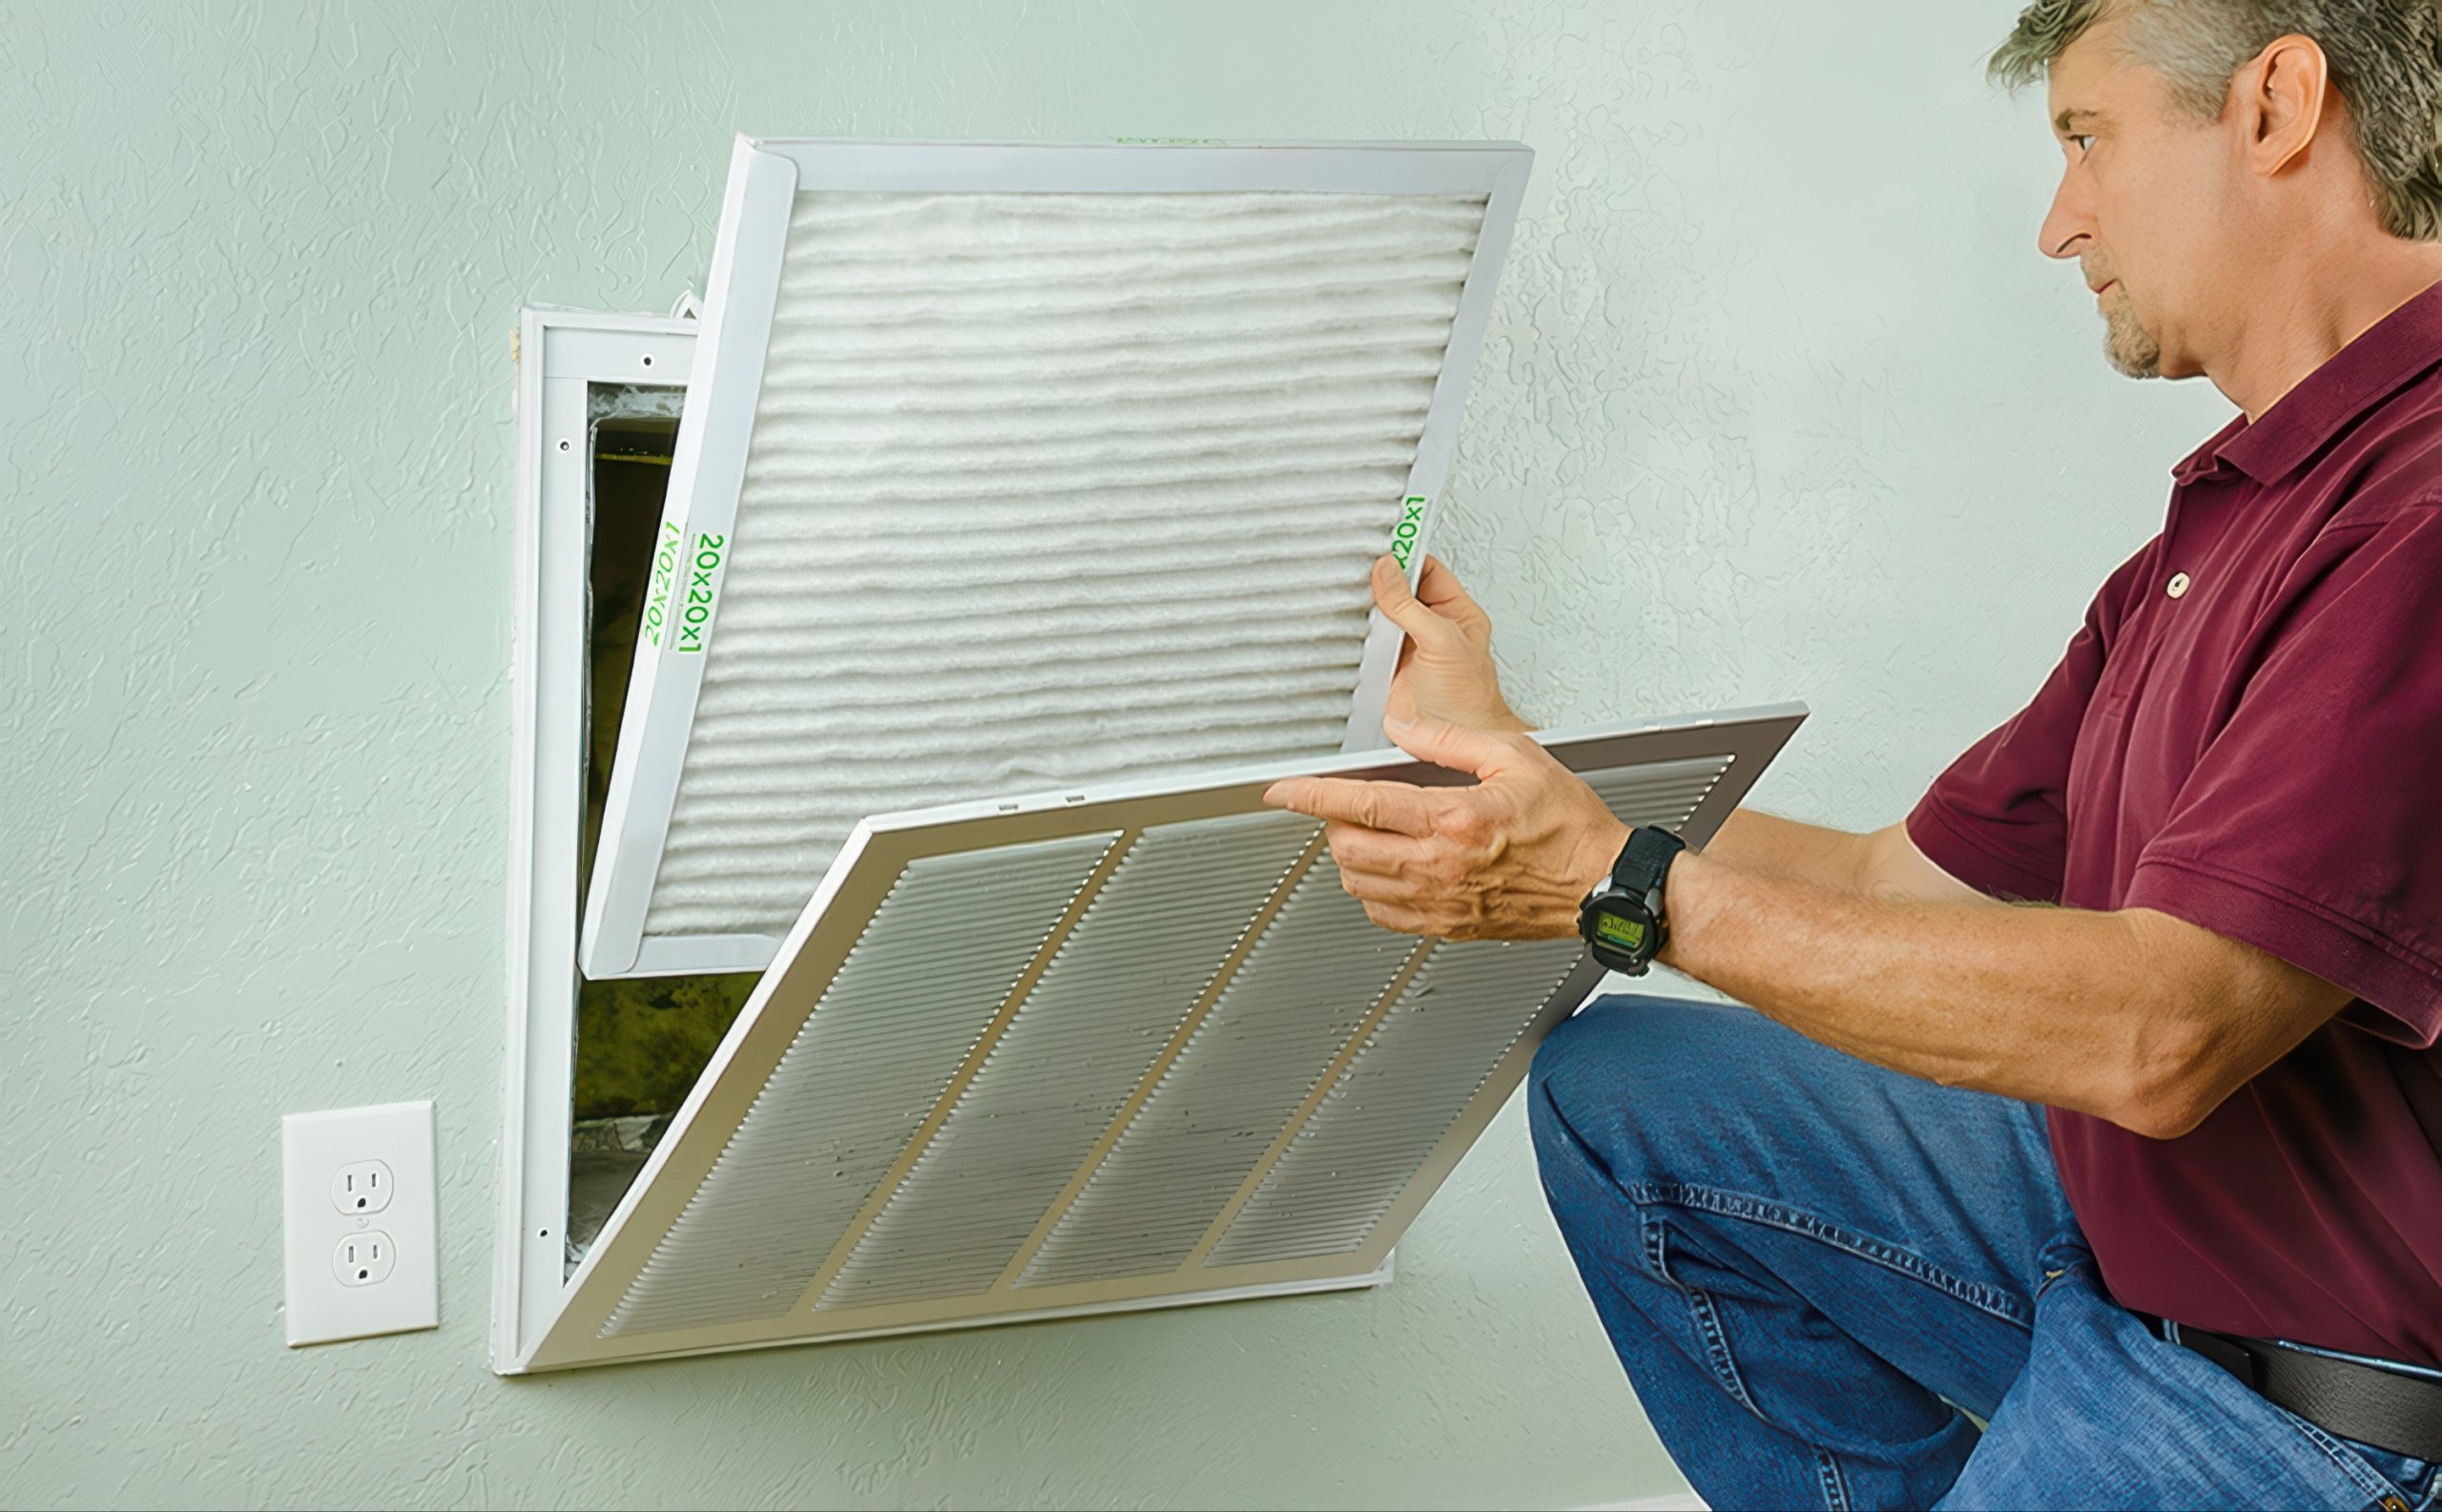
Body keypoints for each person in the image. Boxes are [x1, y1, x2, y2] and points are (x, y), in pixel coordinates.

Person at [1262, 2, 2442, 1505]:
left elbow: (2166, 1035)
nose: (2059, 224)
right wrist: (1512, 758)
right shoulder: (2239, 509)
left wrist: (1625, 886)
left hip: (2321, 1399)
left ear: (2277, 106)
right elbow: (1903, 881)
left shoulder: (2414, 514)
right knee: (1629, 1098)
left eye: (2089, 140)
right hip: (2136, 1251)